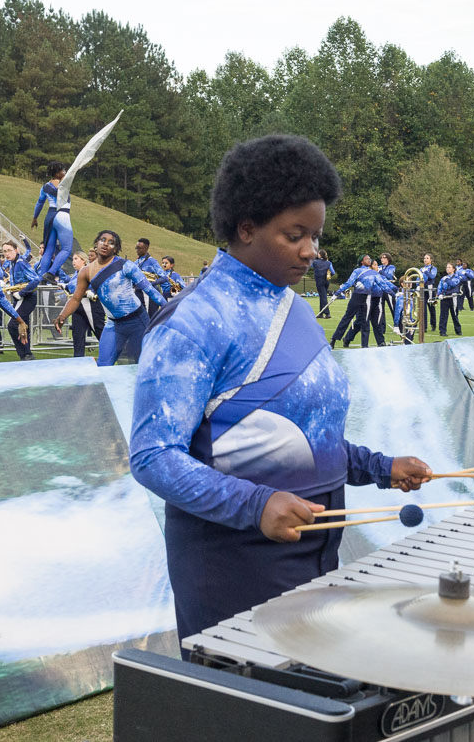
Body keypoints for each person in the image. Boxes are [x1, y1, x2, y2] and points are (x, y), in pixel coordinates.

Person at [126, 134, 431, 643]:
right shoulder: (192, 323)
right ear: (246, 227)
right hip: (234, 560)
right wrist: (255, 504)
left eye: (315, 235)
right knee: (251, 716)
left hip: (315, 545)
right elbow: (153, 455)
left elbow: (310, 436)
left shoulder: (296, 310)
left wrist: (381, 468)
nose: (311, 251)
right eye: (296, 235)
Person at [53, 230, 165, 366]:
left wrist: (169, 309)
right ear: (96, 244)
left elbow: (150, 290)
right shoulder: (85, 272)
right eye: (103, 240)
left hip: (137, 321)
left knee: (142, 365)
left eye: (111, 243)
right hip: (113, 325)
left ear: (116, 249)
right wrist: (62, 315)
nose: (106, 244)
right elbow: (76, 299)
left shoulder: (126, 265)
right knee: (103, 365)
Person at [1, 240, 40, 361]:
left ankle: (25, 354)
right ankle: (26, 355)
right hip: (18, 298)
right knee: (22, 325)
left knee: (13, 324)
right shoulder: (12, 263)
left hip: (26, 298)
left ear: (16, 250)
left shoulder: (21, 262)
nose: (7, 254)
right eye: (4, 251)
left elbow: (35, 279)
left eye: (9, 250)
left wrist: (21, 293)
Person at [330, 254, 373, 348]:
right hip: (357, 296)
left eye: (370, 258)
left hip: (367, 297)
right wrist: (337, 293)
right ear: (362, 261)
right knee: (347, 318)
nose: (369, 260)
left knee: (365, 321)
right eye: (367, 259)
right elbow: (349, 283)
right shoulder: (357, 271)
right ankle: (334, 339)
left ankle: (364, 346)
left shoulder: (372, 272)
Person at [63, 252, 99, 357]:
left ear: (83, 260)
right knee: (77, 333)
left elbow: (95, 283)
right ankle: (78, 358)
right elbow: (73, 286)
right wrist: (65, 286)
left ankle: (113, 353)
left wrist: (90, 291)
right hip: (77, 304)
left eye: (76, 259)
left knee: (99, 330)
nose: (73, 261)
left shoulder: (88, 270)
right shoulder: (76, 273)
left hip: (89, 303)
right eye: (73, 259)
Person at [437, 262, 463, 336]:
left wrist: (447, 279)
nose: (447, 269)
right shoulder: (443, 278)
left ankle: (458, 330)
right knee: (443, 315)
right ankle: (442, 331)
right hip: (445, 298)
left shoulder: (457, 277)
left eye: (449, 267)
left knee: (454, 315)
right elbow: (440, 287)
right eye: (447, 267)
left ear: (453, 269)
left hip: (453, 298)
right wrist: (439, 294)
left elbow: (453, 284)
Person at [311, 249, 336, 318]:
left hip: (319, 281)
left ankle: (327, 313)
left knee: (323, 297)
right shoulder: (328, 263)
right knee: (322, 296)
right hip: (326, 281)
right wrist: (328, 275)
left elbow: (309, 266)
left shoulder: (315, 262)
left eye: (318, 253)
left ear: (320, 255)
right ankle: (321, 313)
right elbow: (333, 272)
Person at [420, 253, 438, 330]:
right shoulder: (421, 269)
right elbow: (418, 278)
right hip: (422, 288)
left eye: (427, 258)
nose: (425, 259)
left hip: (430, 288)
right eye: (424, 258)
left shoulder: (433, 268)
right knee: (422, 308)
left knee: (431, 307)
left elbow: (432, 276)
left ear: (431, 260)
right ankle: (424, 327)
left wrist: (426, 272)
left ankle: (433, 324)